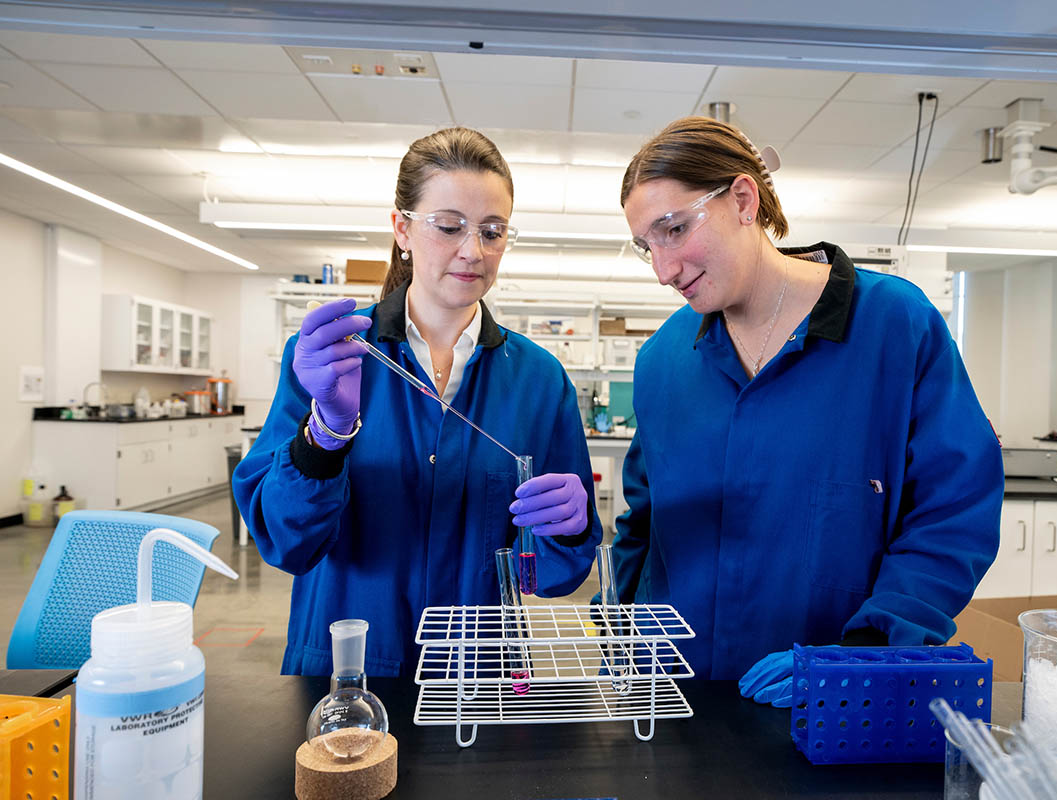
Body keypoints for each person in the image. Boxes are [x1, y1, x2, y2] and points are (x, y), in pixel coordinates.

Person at [609, 116, 1003, 697]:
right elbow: (644, 527)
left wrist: (864, 657)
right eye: (647, 246)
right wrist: (620, 635)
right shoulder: (665, 359)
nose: (664, 270)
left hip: (837, 704)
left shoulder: (894, 324)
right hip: (676, 696)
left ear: (743, 199)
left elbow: (953, 512)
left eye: (673, 230)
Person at [233, 127, 601, 677]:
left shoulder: (539, 380)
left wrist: (570, 532)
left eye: (493, 231)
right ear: (402, 229)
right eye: (449, 226)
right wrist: (324, 438)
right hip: (345, 667)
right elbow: (286, 543)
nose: (473, 251)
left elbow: (542, 576)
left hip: (479, 680)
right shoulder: (337, 357)